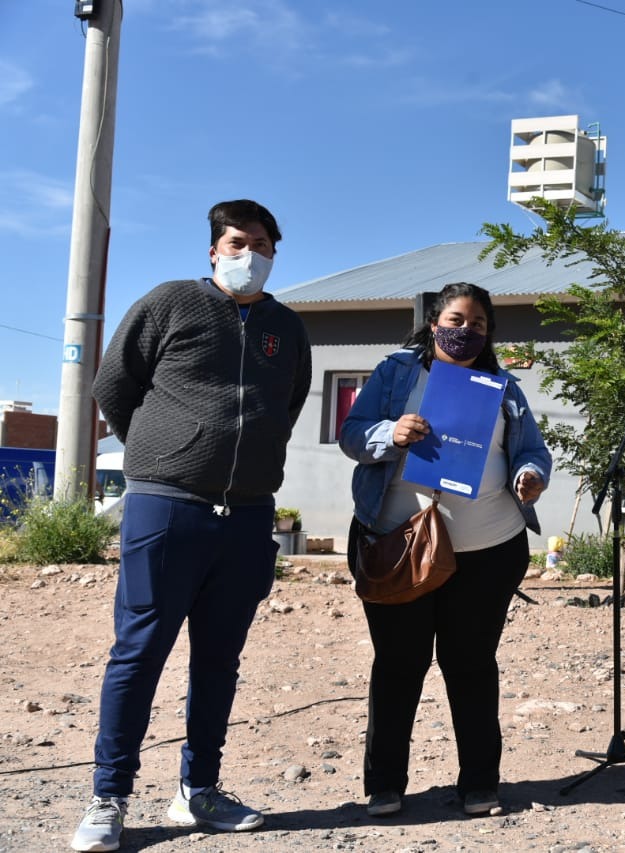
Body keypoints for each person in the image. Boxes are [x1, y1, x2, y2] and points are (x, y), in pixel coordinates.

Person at [74, 200, 311, 852]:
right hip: (166, 508)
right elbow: (114, 385)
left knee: (218, 659)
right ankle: (108, 796)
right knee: (139, 650)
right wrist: (163, 453)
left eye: (262, 243)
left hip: (247, 517)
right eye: (238, 242)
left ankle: (197, 791)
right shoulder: (170, 302)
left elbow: (285, 406)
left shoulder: (286, 328)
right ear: (214, 249)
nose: (250, 254)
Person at [339, 282, 551, 819]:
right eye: (456, 319)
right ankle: (384, 785)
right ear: (433, 323)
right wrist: (392, 432)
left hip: (488, 548)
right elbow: (352, 436)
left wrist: (531, 476)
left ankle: (480, 783)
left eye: (478, 323)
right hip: (400, 547)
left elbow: (532, 451)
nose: (466, 331)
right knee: (398, 665)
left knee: (472, 664)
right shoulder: (394, 374)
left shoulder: (502, 387)